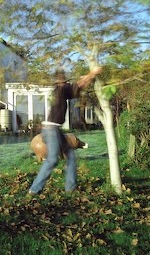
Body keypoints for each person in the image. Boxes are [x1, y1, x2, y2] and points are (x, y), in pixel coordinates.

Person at [28, 66, 102, 194]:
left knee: (71, 157)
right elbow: (78, 86)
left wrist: (86, 78)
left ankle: (70, 189)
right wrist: (92, 73)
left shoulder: (59, 90)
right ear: (61, 81)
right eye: (65, 80)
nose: (67, 82)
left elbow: (77, 87)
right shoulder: (61, 88)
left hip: (54, 129)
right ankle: (34, 190)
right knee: (52, 160)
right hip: (52, 130)